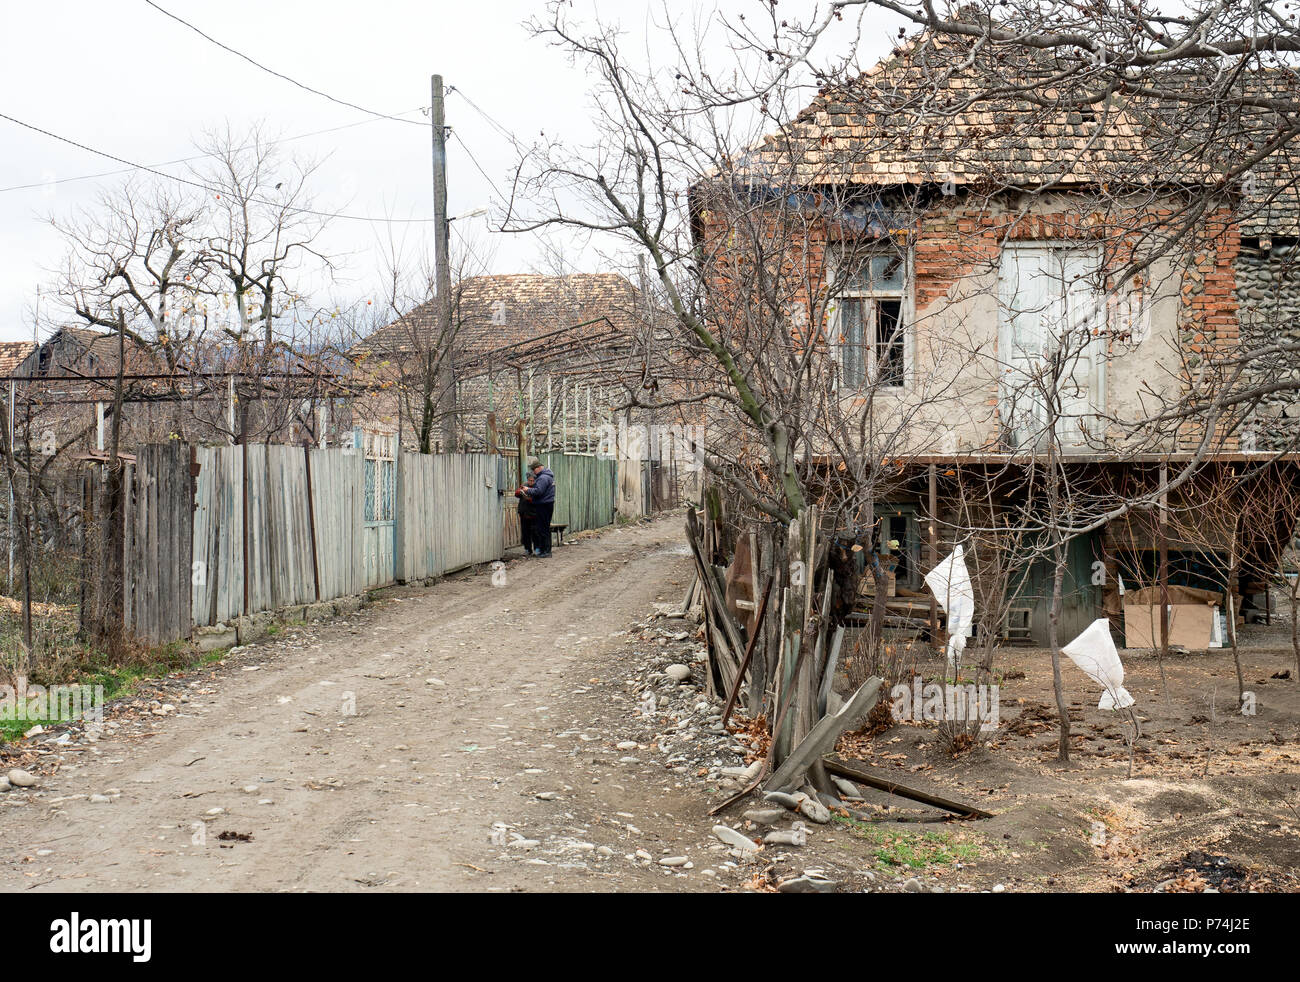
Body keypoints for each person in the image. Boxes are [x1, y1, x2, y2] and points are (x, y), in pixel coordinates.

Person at [521, 457, 556, 557]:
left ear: (539, 467)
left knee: (543, 529)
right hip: (547, 504)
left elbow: (538, 491)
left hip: (543, 505)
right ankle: (545, 550)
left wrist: (527, 490)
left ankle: (546, 551)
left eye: (534, 469)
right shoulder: (547, 476)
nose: (533, 472)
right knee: (544, 528)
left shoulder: (543, 478)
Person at [514, 472, 537, 556]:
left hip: (534, 514)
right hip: (524, 513)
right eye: (529, 480)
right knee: (525, 532)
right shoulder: (524, 485)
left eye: (532, 480)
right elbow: (516, 494)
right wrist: (520, 491)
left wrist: (529, 498)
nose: (530, 482)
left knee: (535, 532)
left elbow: (537, 499)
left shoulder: (537, 487)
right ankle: (528, 549)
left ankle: (537, 549)